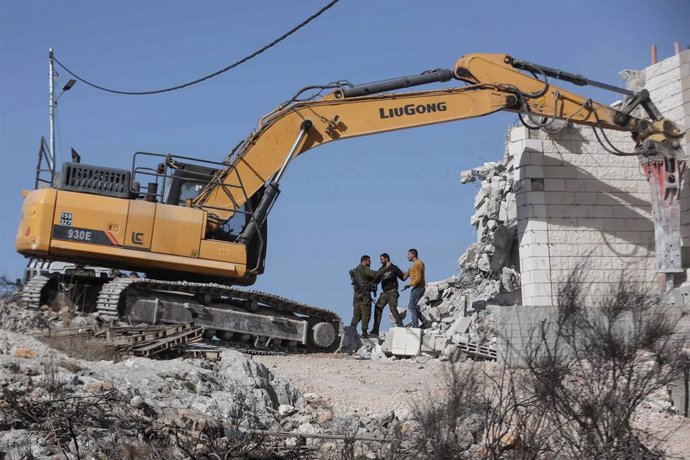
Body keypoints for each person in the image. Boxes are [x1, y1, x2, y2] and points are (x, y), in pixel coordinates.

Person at [350, 255, 390, 338]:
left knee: (356, 315)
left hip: (357, 295)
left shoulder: (356, 270)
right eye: (369, 261)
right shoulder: (363, 269)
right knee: (366, 314)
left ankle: (351, 330)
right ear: (364, 261)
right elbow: (375, 274)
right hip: (365, 295)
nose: (370, 263)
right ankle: (364, 332)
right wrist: (386, 268)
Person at [370, 253, 405, 336]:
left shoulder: (394, 268)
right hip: (385, 292)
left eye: (382, 259)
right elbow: (376, 281)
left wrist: (410, 272)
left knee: (393, 309)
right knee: (378, 308)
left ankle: (401, 326)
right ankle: (375, 330)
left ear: (387, 259)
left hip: (393, 291)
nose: (380, 261)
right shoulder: (381, 270)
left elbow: (402, 277)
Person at [402, 248, 426, 328]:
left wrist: (409, 285)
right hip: (417, 288)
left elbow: (418, 279)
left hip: (418, 288)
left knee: (411, 307)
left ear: (413, 255)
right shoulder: (415, 265)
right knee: (413, 306)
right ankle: (424, 320)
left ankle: (416, 326)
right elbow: (412, 276)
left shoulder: (417, 264)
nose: (407, 256)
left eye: (408, 254)